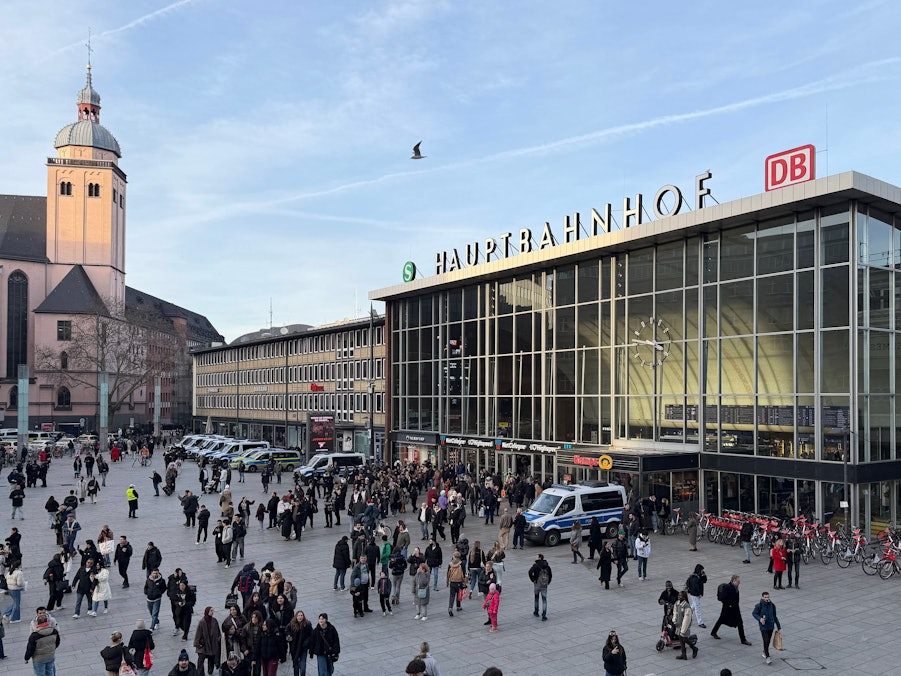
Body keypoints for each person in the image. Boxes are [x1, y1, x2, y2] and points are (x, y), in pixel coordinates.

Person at [710, 574, 753, 645]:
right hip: (728, 608)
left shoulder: (736, 587)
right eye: (738, 581)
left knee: (740, 623)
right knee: (721, 620)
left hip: (735, 608)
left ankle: (743, 639)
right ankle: (713, 632)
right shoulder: (727, 587)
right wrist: (729, 605)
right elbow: (723, 598)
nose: (739, 583)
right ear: (734, 581)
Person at [751, 591, 781, 665]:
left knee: (768, 641)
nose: (767, 598)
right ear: (762, 597)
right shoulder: (759, 605)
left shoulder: (772, 605)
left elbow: (775, 616)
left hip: (771, 626)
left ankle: (765, 652)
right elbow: (754, 613)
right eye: (765, 597)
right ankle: (768, 657)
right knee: (766, 641)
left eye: (768, 597)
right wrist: (760, 619)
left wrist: (778, 626)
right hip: (763, 627)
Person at [193, 606, 221, 675]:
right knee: (201, 660)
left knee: (211, 658)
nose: (212, 612)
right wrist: (197, 643)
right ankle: (200, 673)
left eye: (212, 611)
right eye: (211, 611)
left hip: (212, 643)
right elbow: (198, 633)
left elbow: (218, 632)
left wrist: (219, 640)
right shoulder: (202, 622)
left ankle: (210, 671)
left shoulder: (214, 621)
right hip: (204, 645)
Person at [287, 610, 312, 676]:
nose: (300, 617)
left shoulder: (307, 624)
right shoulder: (291, 624)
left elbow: (311, 635)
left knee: (303, 667)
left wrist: (306, 642)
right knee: (296, 666)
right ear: (296, 616)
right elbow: (287, 631)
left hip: (303, 648)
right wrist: (289, 636)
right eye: (298, 615)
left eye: (301, 615)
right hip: (294, 648)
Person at [528, 553, 551, 621]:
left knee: (536, 598)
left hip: (537, 584)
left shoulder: (535, 565)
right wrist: (548, 582)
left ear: (539, 558)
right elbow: (550, 574)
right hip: (544, 584)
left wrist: (533, 579)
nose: (535, 557)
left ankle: (536, 612)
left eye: (537, 556)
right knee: (544, 599)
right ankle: (544, 615)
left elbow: (530, 572)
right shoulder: (547, 566)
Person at [685, 563, 708, 628]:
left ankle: (686, 614)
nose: (702, 571)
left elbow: (705, 581)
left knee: (694, 606)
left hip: (695, 594)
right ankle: (700, 622)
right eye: (701, 570)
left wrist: (704, 575)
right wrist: (699, 594)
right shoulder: (695, 578)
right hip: (695, 595)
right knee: (698, 608)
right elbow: (695, 587)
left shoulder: (698, 576)